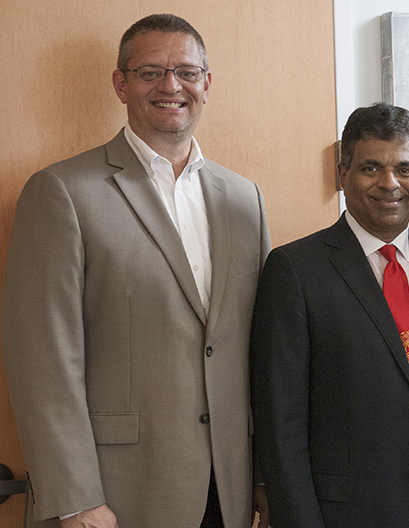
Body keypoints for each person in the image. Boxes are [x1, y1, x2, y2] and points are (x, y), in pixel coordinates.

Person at [2, 14, 271, 528]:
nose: (171, 86)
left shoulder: (245, 199)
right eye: (150, 72)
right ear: (120, 84)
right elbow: (42, 361)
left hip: (228, 489)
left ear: (207, 84)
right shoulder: (62, 192)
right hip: (115, 494)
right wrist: (75, 499)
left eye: (187, 72)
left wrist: (263, 475)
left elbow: (259, 350)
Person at [250, 103, 409, 528]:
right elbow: (280, 424)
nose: (390, 183)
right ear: (342, 173)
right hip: (347, 514)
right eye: (371, 168)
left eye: (405, 169)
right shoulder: (295, 270)